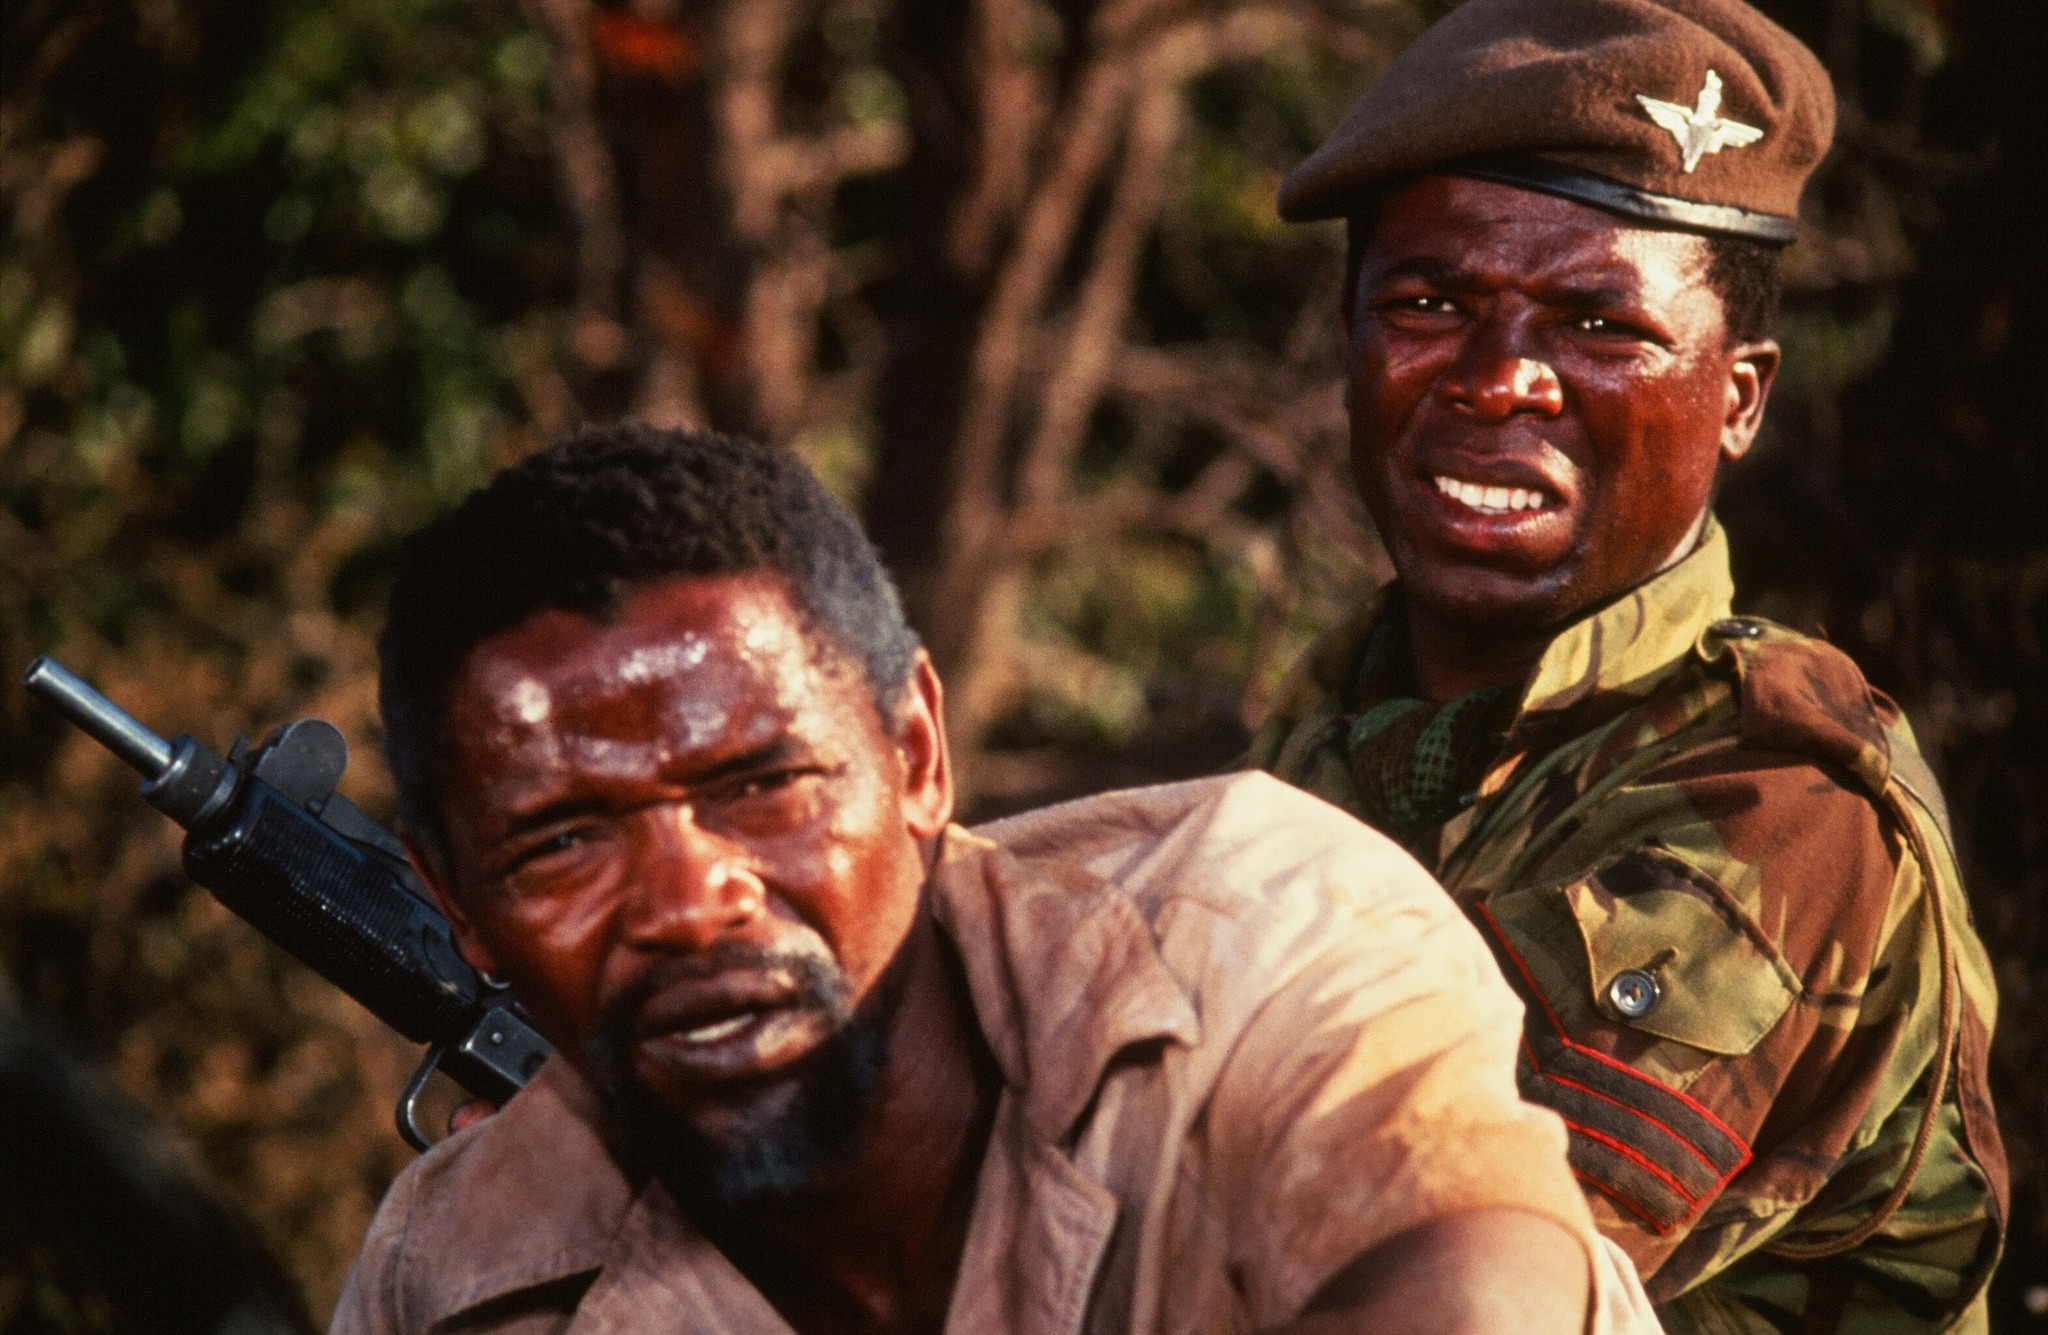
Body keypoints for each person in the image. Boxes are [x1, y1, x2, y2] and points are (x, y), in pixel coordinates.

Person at [332, 425, 1659, 1334]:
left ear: (915, 755)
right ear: (459, 911)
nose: (688, 901)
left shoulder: (1245, 933)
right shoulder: (456, 1272)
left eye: (760, 786)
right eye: (563, 840)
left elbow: (1481, 1287)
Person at [1246, 0, 2006, 1330]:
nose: (1499, 381)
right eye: (1428, 303)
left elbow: (1413, 1274)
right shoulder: (1333, 735)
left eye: (1600, 329)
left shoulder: (1780, 803)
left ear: (1740, 397)